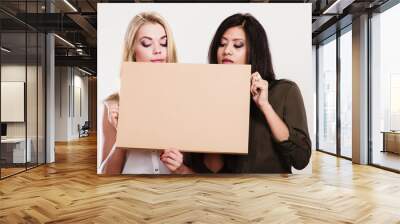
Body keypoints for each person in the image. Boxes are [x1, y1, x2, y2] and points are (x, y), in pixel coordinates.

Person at [185, 13, 311, 173]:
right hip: (224, 193)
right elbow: (210, 169)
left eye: (237, 45)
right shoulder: (207, 95)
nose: (226, 51)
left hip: (270, 194)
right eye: (222, 44)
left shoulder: (285, 90)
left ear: (255, 51)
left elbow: (301, 159)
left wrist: (265, 106)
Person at [100, 12, 193, 174]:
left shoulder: (188, 99)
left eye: (164, 43)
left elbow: (201, 174)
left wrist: (181, 167)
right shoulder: (115, 105)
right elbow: (106, 174)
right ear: (133, 50)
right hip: (131, 194)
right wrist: (122, 136)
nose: (157, 50)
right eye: (146, 43)